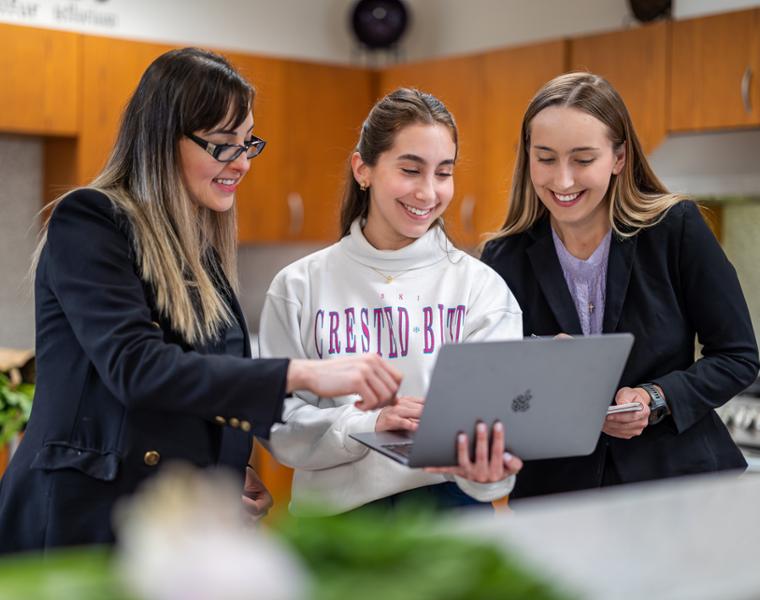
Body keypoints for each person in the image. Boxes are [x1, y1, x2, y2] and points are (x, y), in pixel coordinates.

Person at [0, 48, 401, 553]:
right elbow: (139, 368)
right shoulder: (91, 220)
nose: (241, 163)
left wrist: (227, 468)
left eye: (247, 143)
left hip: (169, 519)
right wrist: (298, 372)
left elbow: (206, 377)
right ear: (161, 141)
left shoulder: (198, 245)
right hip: (83, 521)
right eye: (221, 145)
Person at [481, 72, 759, 499]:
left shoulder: (675, 230)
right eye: (546, 158)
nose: (563, 180)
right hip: (558, 500)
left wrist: (657, 397)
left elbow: (738, 356)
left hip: (678, 490)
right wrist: (541, 373)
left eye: (583, 159)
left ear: (619, 157)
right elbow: (494, 392)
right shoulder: (503, 258)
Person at [259, 88, 524, 516]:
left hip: (453, 513)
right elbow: (276, 421)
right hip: (338, 526)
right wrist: (369, 425)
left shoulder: (482, 289)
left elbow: (500, 427)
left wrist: (489, 471)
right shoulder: (298, 286)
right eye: (410, 169)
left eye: (443, 172)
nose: (427, 192)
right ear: (363, 169)